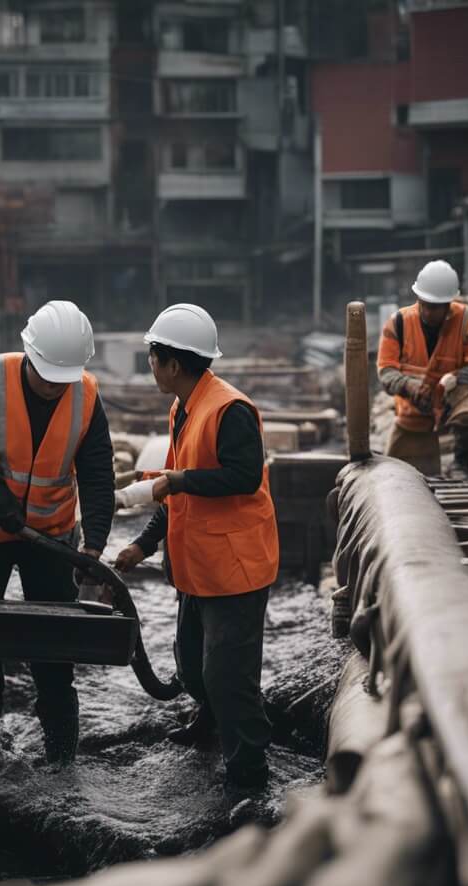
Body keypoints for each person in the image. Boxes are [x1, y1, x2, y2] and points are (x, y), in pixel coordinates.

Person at [113, 303, 279, 811]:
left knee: (229, 677)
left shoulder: (229, 409)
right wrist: (143, 545)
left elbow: (243, 476)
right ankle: (210, 723)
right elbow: (177, 493)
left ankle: (249, 773)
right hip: (198, 566)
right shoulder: (185, 406)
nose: (150, 365)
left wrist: (174, 481)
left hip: (235, 567)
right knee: (192, 667)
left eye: (153, 357)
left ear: (174, 364)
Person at [0, 300, 115, 766]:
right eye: (47, 378)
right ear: (29, 354)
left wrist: (94, 544)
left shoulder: (84, 393)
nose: (55, 388)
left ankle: (61, 753)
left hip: (51, 531)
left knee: (55, 644)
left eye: (64, 379)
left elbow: (98, 472)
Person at [377, 259, 468, 477]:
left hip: (452, 394)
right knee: (397, 472)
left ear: (448, 304)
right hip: (416, 403)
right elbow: (386, 372)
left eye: (435, 307)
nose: (428, 312)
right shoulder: (398, 323)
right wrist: (410, 386)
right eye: (424, 304)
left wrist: (455, 381)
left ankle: (461, 462)